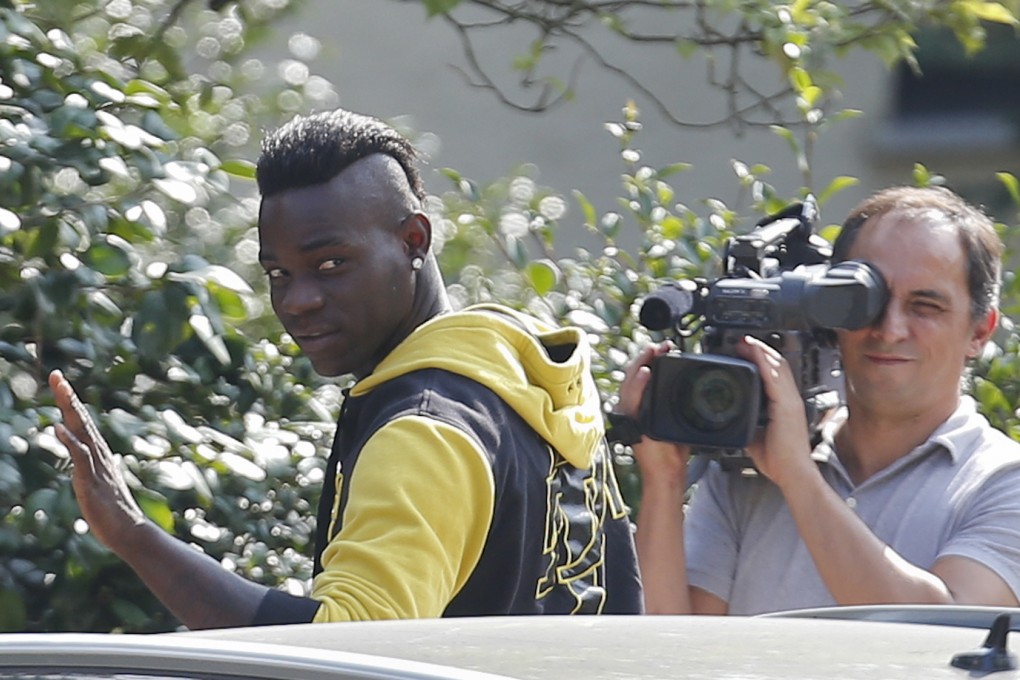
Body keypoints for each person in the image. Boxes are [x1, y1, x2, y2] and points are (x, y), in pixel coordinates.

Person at [49, 107, 643, 629]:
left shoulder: (423, 431)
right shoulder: (525, 378)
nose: (296, 300)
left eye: (330, 263)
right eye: (278, 272)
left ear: (414, 239)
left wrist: (132, 533)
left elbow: (342, 653)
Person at [618, 185, 1020, 615]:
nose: (890, 329)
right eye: (868, 302)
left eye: (925, 306)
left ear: (980, 331)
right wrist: (663, 481)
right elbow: (672, 645)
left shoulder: (1002, 482)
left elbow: (941, 630)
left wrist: (797, 477)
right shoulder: (752, 468)